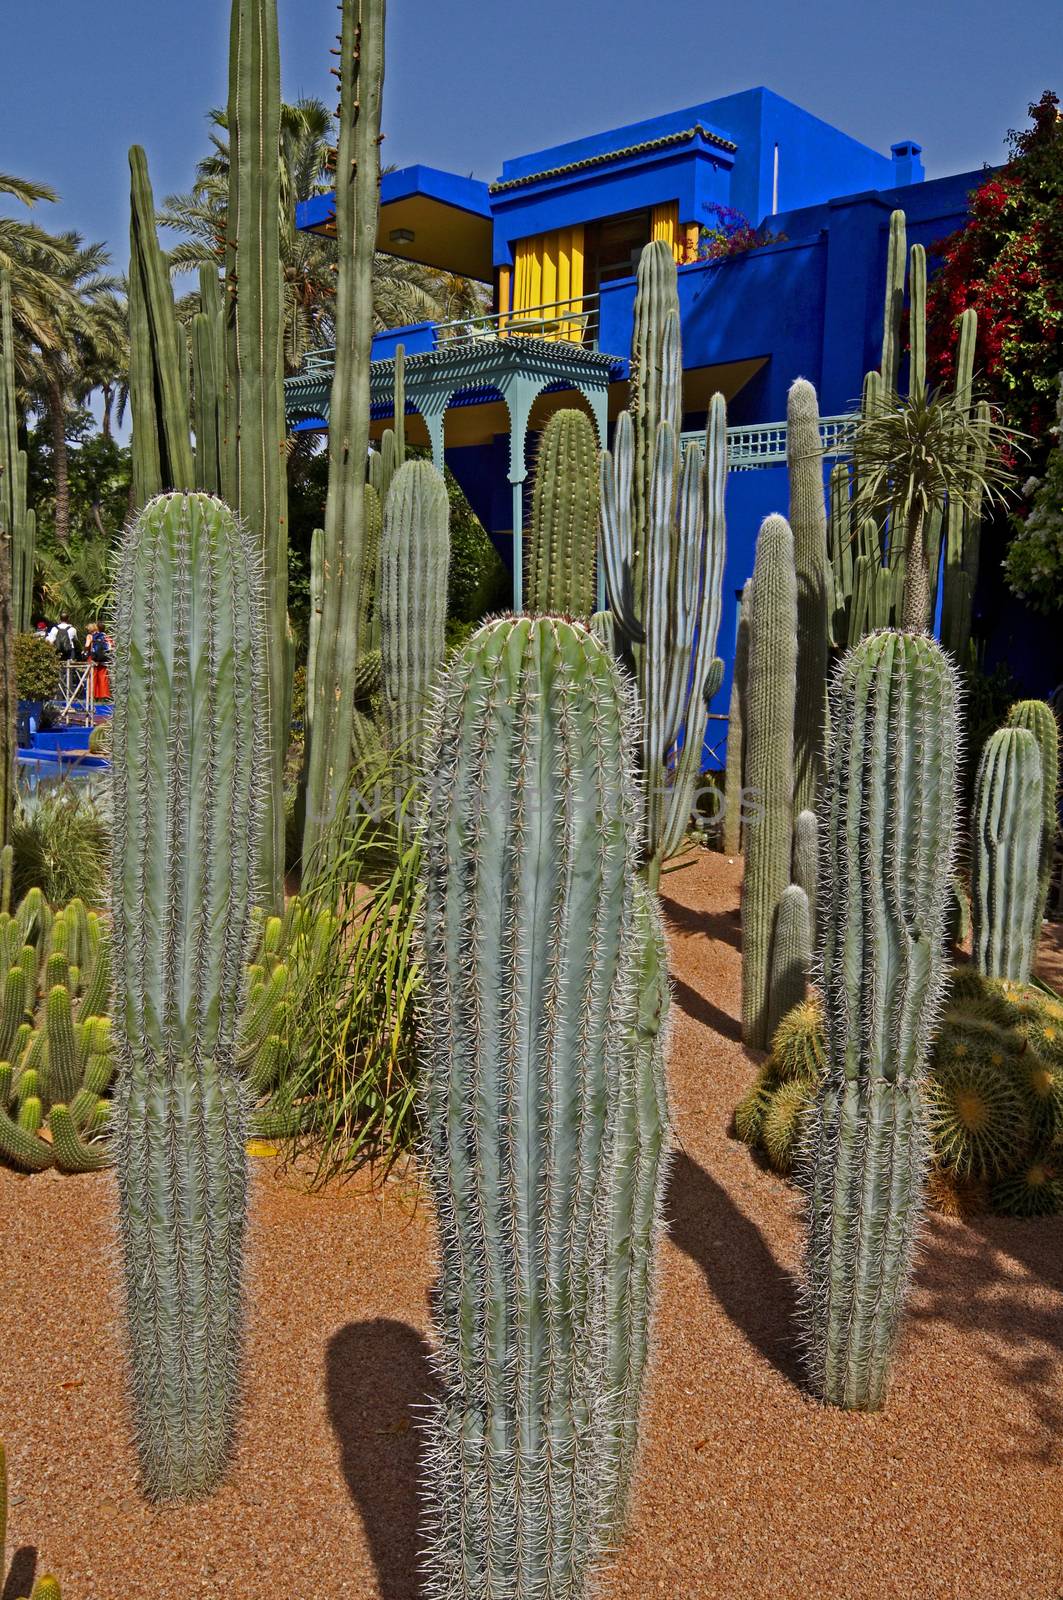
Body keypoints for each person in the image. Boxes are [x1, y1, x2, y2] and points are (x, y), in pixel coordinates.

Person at [84, 622, 112, 702]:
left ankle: (91, 695)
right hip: (103, 659)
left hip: (93, 658)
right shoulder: (106, 637)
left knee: (92, 677)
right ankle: (103, 695)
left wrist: (85, 651)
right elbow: (111, 647)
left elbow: (87, 645)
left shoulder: (91, 636)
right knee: (103, 677)